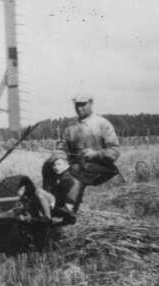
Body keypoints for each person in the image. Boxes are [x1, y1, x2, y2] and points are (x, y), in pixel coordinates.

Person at [37, 92, 120, 225]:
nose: (79, 108)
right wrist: (59, 160)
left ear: (91, 103)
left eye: (83, 104)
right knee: (48, 165)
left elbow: (114, 152)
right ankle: (50, 203)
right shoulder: (70, 128)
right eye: (77, 105)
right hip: (75, 165)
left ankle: (68, 209)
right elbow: (62, 149)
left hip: (99, 166)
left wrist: (95, 154)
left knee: (75, 169)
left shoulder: (102, 124)